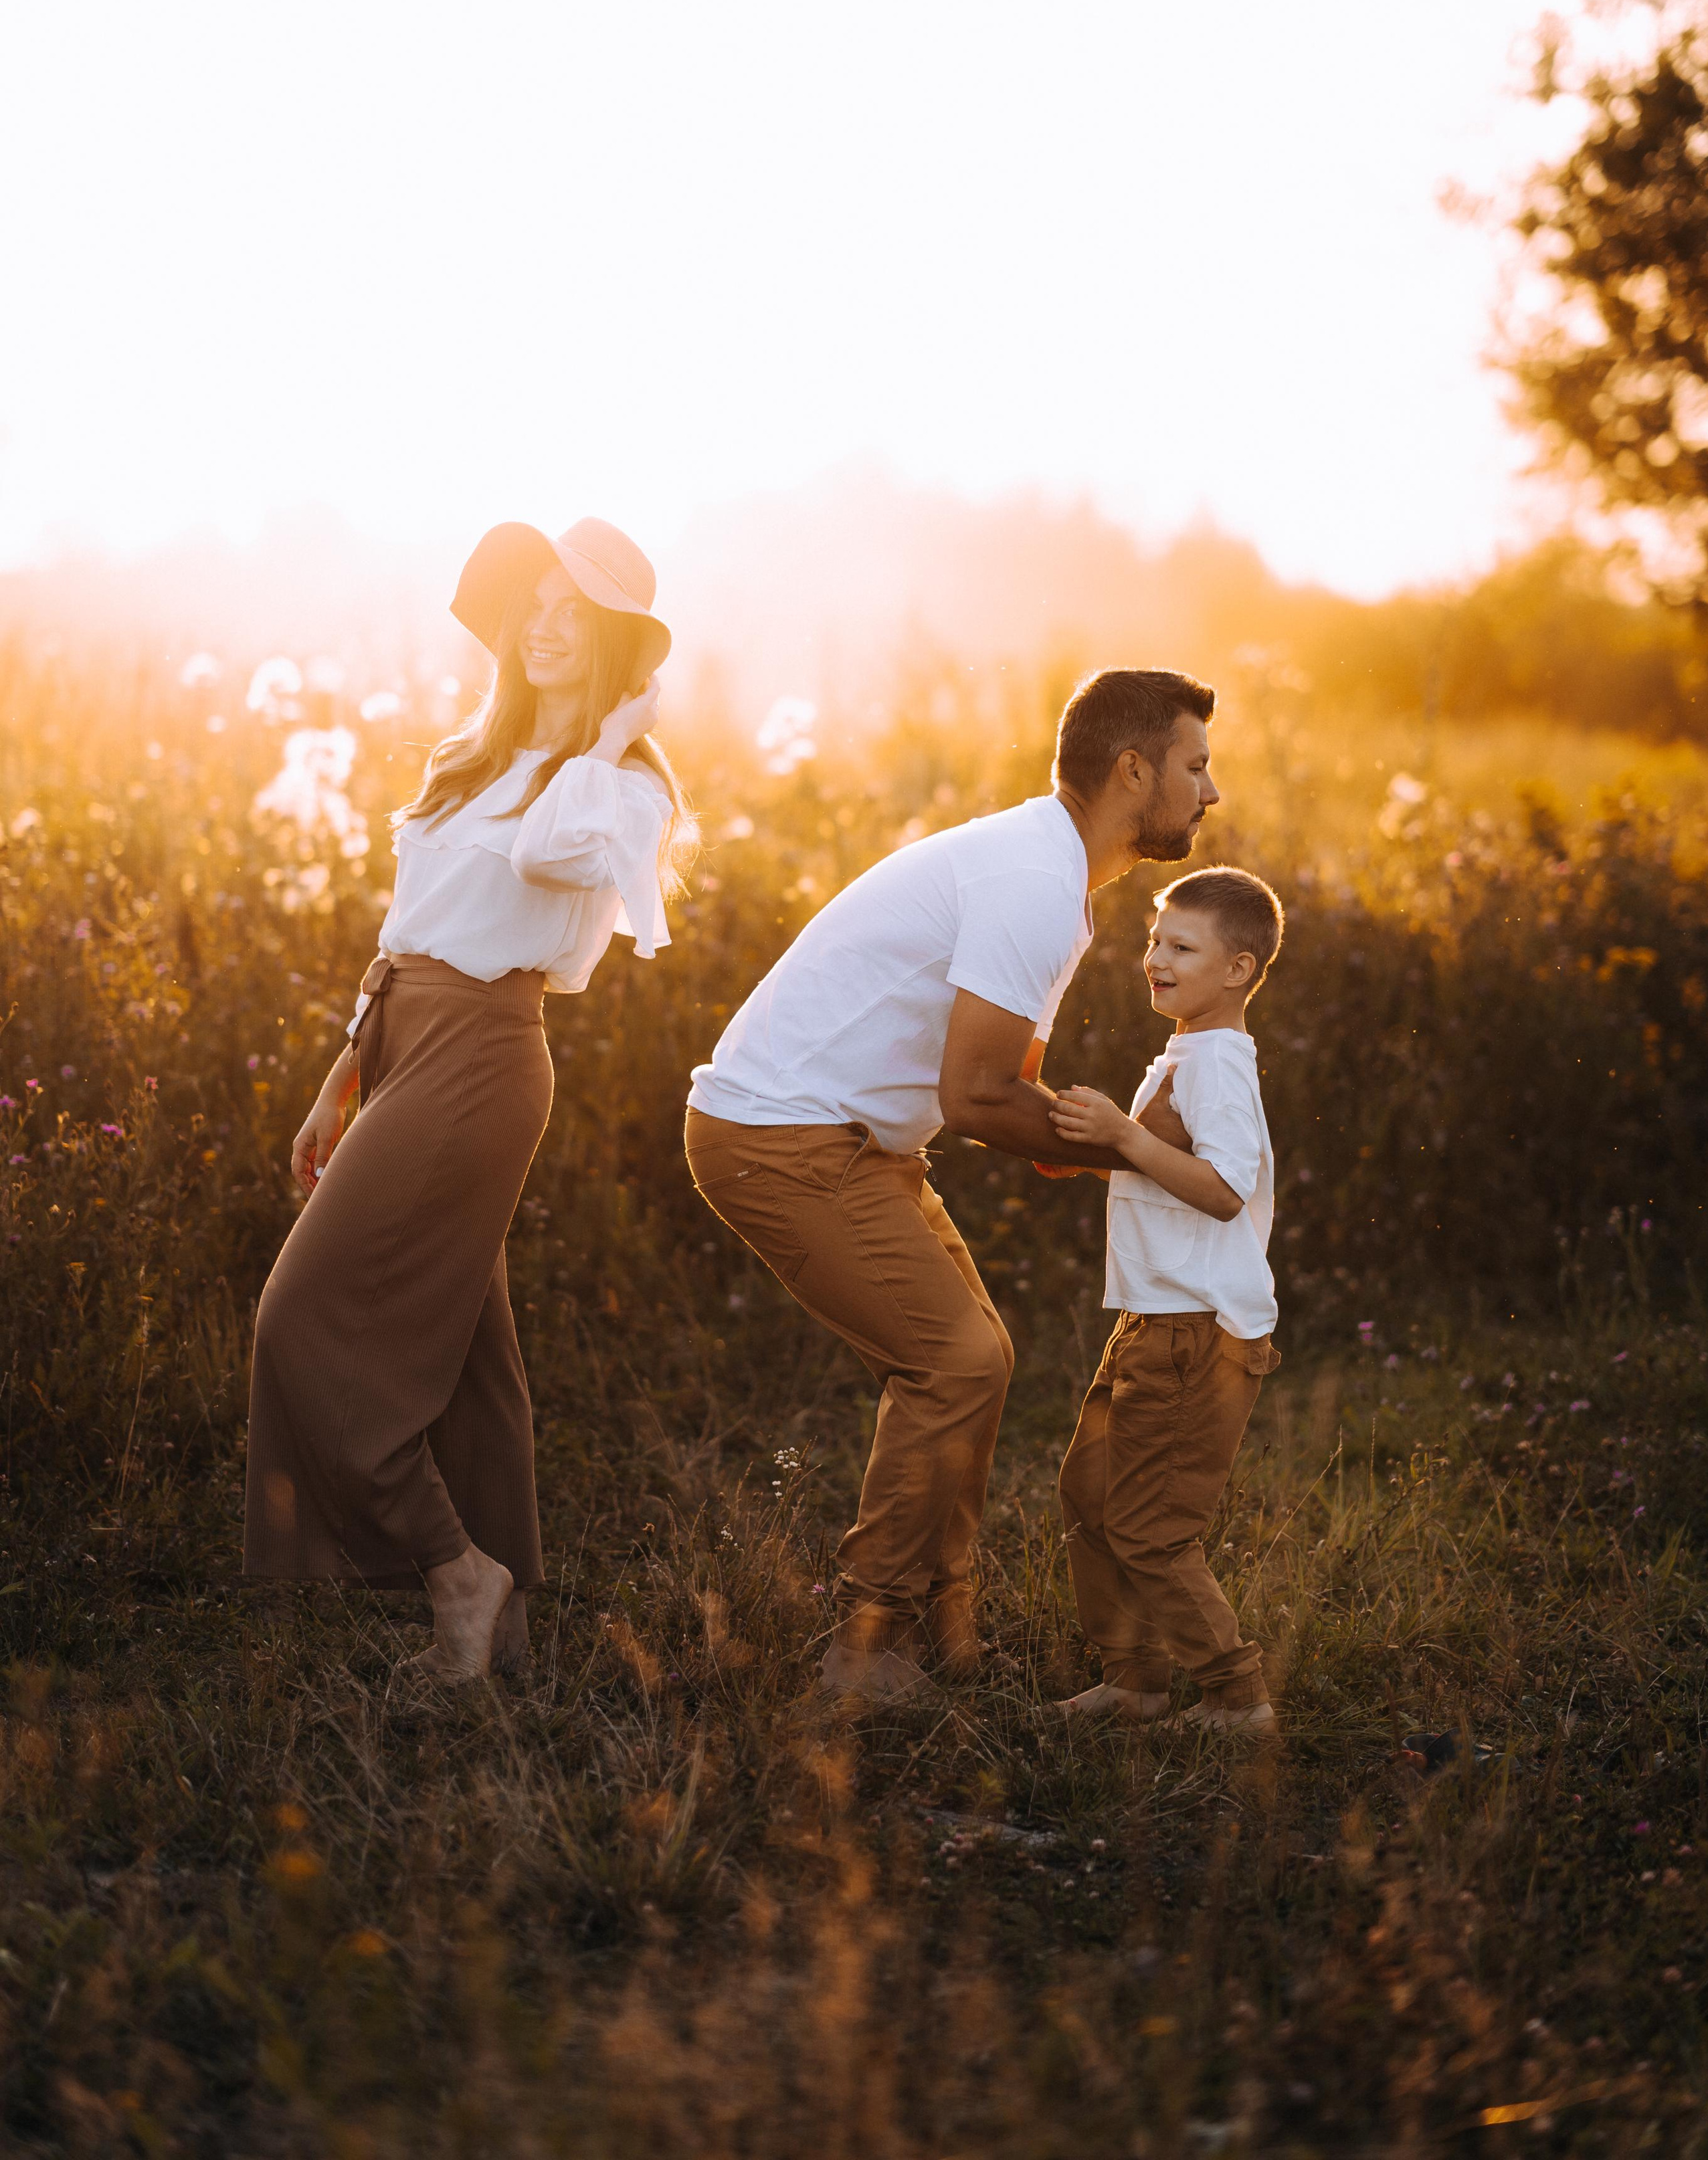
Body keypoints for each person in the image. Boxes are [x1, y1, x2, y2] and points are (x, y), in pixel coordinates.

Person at [685, 667, 1220, 1703]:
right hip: (779, 1134)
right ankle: (866, 1648)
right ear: (1133, 769)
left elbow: (1003, 1084)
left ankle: (942, 1629)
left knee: (979, 1357)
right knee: (956, 1361)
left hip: (856, 1142)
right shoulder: (1031, 882)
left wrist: (1089, 1137)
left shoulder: (1045, 872)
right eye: (1196, 766)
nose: (1211, 791)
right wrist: (1147, 1155)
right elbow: (976, 1099)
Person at [244, 517, 692, 1681]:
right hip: (405, 1042)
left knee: (299, 1318)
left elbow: (554, 858)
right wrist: (340, 1078)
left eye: (575, 612)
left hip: (484, 1059)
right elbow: (406, 935)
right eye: (533, 603)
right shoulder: (471, 756)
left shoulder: (621, 791)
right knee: (470, 1354)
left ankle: (456, 1572)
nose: (544, 626)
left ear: (618, 646)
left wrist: (608, 735)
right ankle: (513, 1639)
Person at [1048, 864, 1285, 1736]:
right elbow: (1165, 1154)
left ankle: (1236, 1698)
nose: (1156, 957)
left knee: (1149, 1523)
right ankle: (1135, 1680)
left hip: (1198, 1332)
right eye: (1154, 939)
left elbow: (1224, 1187)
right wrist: (1094, 1145)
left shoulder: (1218, 1061)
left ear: (1239, 970)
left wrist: (1119, 1135)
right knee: (1089, 1491)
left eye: (1182, 946)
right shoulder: (1188, 1048)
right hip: (1153, 1319)